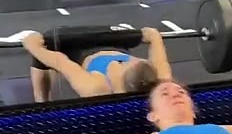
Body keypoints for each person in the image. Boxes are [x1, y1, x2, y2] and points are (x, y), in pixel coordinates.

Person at [22, 27, 172, 101]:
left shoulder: (96, 88)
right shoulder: (160, 81)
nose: (120, 64)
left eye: (123, 65)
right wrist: (151, 35)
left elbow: (61, 62)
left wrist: (33, 46)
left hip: (82, 49)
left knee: (46, 44)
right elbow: (155, 42)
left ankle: (42, 102)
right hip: (114, 43)